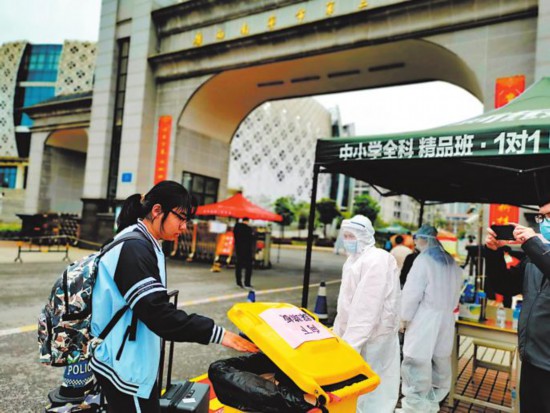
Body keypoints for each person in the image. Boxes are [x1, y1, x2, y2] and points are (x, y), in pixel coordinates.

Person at [90, 181, 258, 412]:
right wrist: (218, 334)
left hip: (130, 358)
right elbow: (158, 314)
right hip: (125, 366)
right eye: (181, 217)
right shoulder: (134, 248)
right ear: (157, 210)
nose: (184, 226)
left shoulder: (146, 241)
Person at [332, 215, 401, 413]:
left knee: (373, 386)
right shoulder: (353, 260)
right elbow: (346, 304)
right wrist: (339, 337)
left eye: (351, 236)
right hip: (357, 335)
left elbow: (366, 307)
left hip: (375, 335)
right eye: (345, 235)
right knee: (359, 388)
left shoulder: (377, 259)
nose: (347, 240)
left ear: (364, 236)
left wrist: (349, 346)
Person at [484, 210, 550, 412]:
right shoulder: (534, 257)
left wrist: (533, 244)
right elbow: (505, 286)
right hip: (531, 359)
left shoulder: (538, 251)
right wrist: (495, 252)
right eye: (543, 217)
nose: (545, 222)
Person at [399, 225, 463, 413]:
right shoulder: (450, 260)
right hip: (446, 318)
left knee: (415, 360)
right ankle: (431, 405)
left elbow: (412, 292)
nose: (416, 242)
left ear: (424, 239)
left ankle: (413, 408)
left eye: (417, 239)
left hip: (425, 317)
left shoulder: (424, 260)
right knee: (440, 361)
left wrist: (403, 318)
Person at [233, 217, 255, 289]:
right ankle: (247, 282)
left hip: (239, 249)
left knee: (239, 266)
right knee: (248, 267)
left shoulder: (236, 228)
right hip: (247, 250)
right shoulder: (248, 229)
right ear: (247, 221)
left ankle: (239, 282)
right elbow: (251, 239)